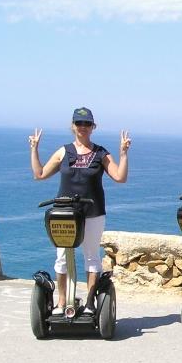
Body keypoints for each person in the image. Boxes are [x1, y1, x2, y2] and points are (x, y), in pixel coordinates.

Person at [28, 107, 131, 315]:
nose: (83, 127)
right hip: (65, 213)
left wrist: (123, 154)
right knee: (62, 258)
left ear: (93, 127)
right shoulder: (64, 151)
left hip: (93, 213)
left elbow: (120, 177)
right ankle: (61, 302)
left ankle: (91, 302)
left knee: (92, 257)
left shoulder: (101, 153)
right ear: (73, 126)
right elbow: (39, 174)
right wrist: (34, 149)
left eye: (87, 124)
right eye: (79, 123)